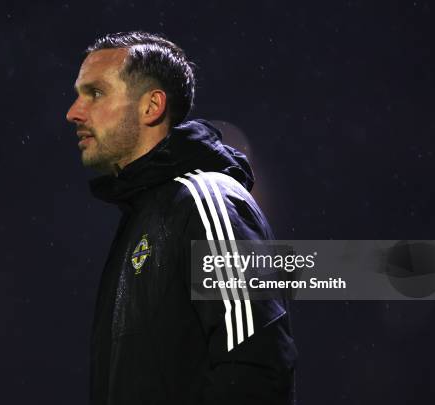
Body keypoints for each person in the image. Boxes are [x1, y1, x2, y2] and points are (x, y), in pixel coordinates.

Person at [66, 31, 297, 405]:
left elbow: (256, 367)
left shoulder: (208, 199)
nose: (73, 112)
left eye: (95, 93)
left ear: (151, 106)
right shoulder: (142, 218)